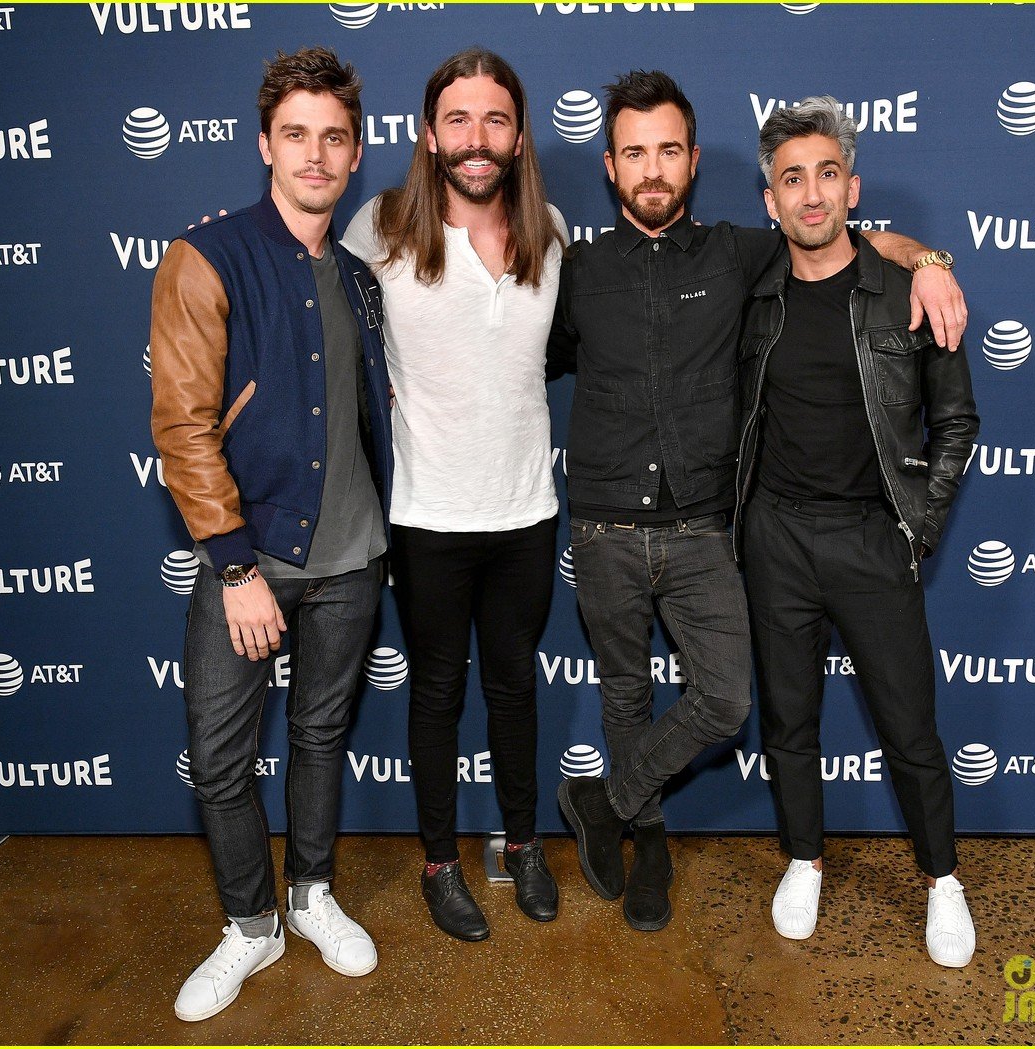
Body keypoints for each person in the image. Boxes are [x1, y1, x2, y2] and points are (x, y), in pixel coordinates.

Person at [550, 71, 966, 933]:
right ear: (610, 166)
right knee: (680, 707)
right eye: (635, 152)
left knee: (807, 713)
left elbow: (851, 247)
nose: (653, 168)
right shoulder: (584, 269)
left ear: (695, 162)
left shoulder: (747, 256)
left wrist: (926, 258)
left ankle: (940, 881)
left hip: (771, 533)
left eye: (668, 150)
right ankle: (699, 849)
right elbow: (522, 356)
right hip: (669, 531)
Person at [150, 47, 393, 1019]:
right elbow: (181, 425)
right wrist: (236, 564)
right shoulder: (204, 257)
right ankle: (250, 925)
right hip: (246, 561)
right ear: (264, 145)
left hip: (354, 559)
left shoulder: (360, 275)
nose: (315, 154)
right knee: (217, 755)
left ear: (355, 151)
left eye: (333, 137)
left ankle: (314, 893)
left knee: (322, 736)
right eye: (296, 134)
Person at [736, 96, 978, 967]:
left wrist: (919, 528)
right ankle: (804, 857)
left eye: (826, 174)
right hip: (775, 538)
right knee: (789, 721)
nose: (810, 195)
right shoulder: (751, 292)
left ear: (852, 188)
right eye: (791, 179)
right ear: (771, 200)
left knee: (911, 726)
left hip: (874, 539)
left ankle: (942, 879)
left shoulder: (908, 292)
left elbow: (956, 423)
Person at [341, 48, 566, 942]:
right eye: (460, 120)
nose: (478, 139)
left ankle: (522, 842)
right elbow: (316, 315)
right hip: (426, 514)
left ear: (518, 134)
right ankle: (440, 861)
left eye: (496, 119)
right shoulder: (383, 224)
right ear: (430, 134)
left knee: (514, 687)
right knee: (436, 691)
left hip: (525, 512)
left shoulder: (546, 227)